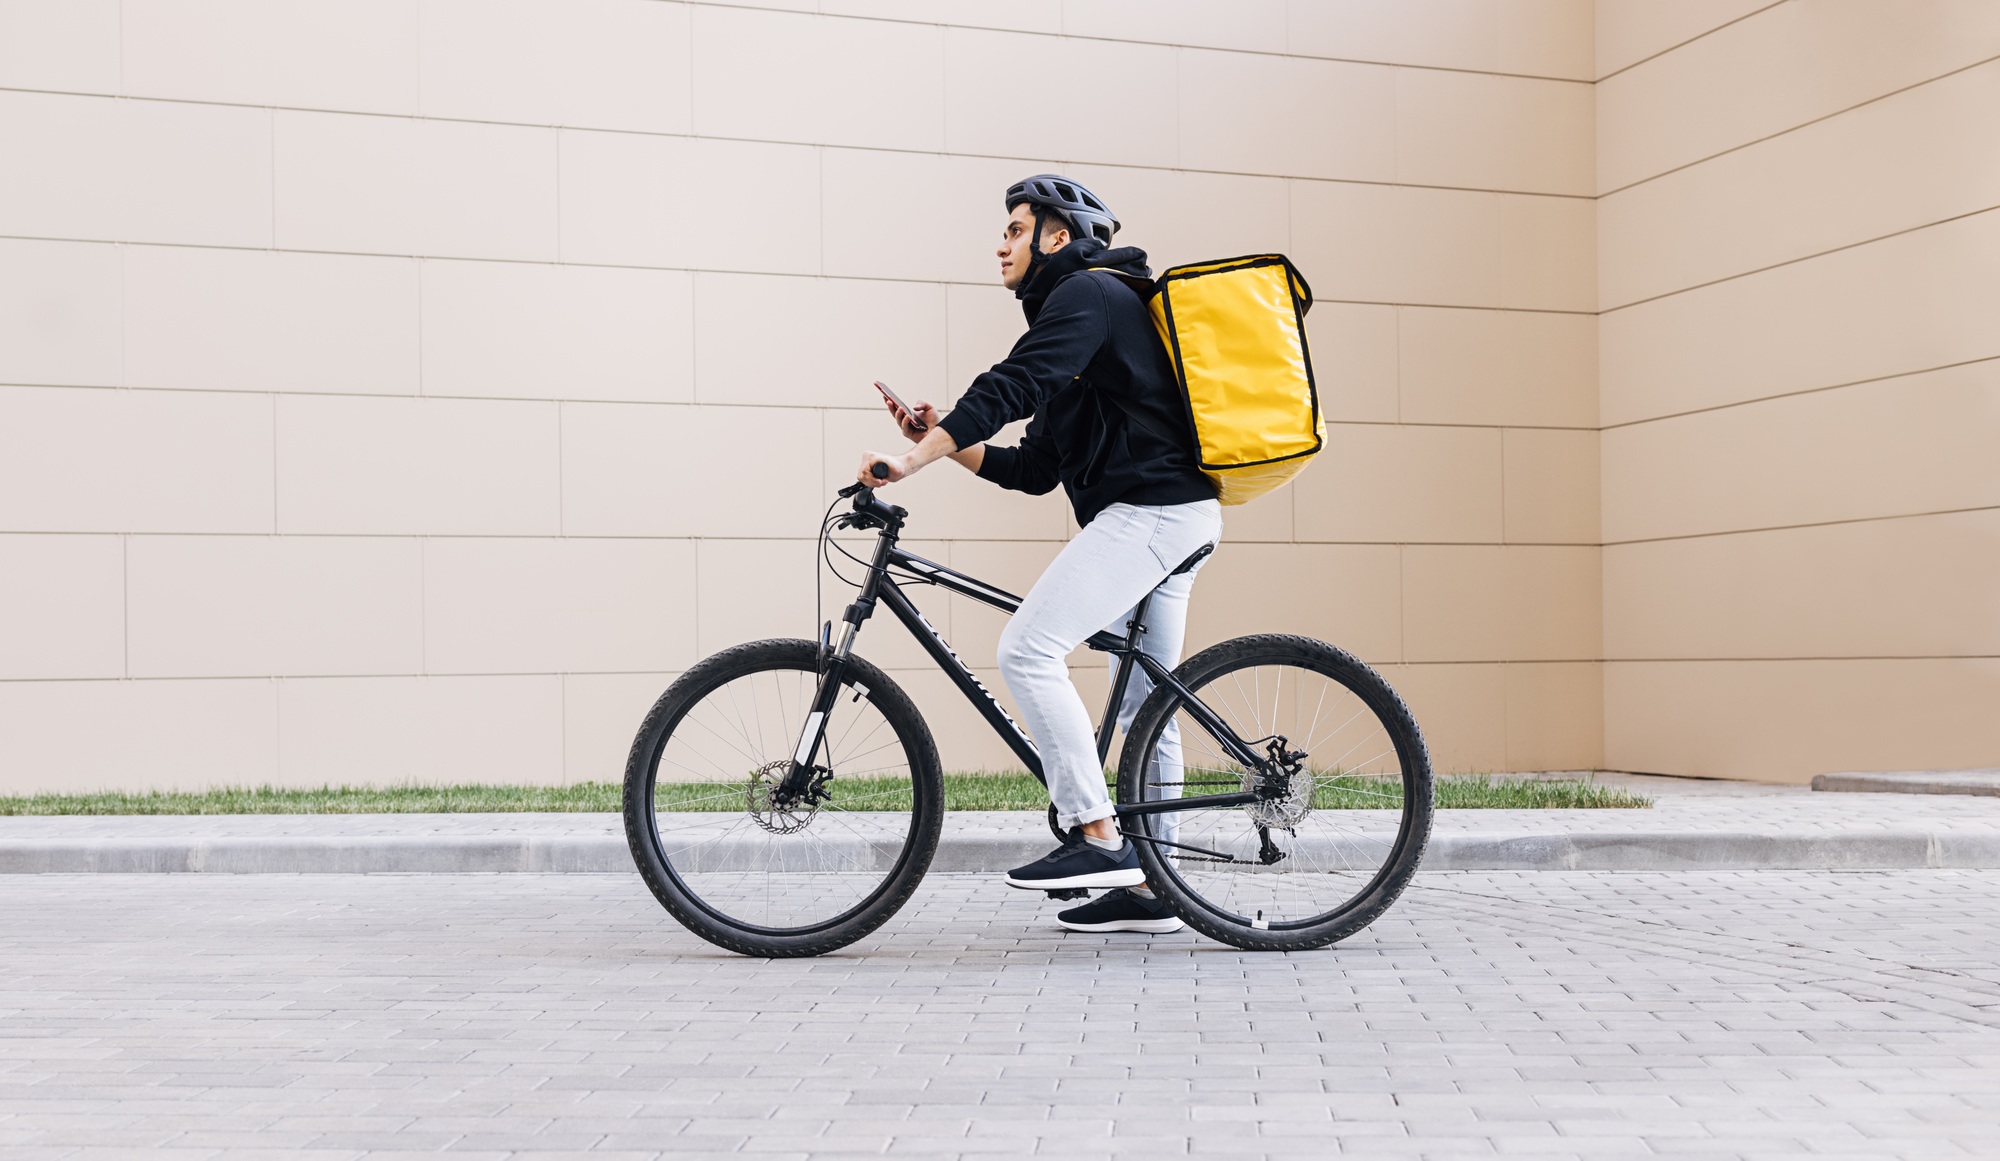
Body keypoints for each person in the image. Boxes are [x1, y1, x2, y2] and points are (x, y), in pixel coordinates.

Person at [856, 175, 1220, 936]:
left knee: (1027, 649)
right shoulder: (1084, 321)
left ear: (1058, 236)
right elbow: (1035, 468)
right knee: (1145, 705)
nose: (1001, 243)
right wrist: (946, 442)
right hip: (1169, 513)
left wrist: (911, 458)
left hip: (1152, 513)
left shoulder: (1090, 294)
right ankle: (1158, 888)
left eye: (1015, 229)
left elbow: (1012, 383)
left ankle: (1096, 836)